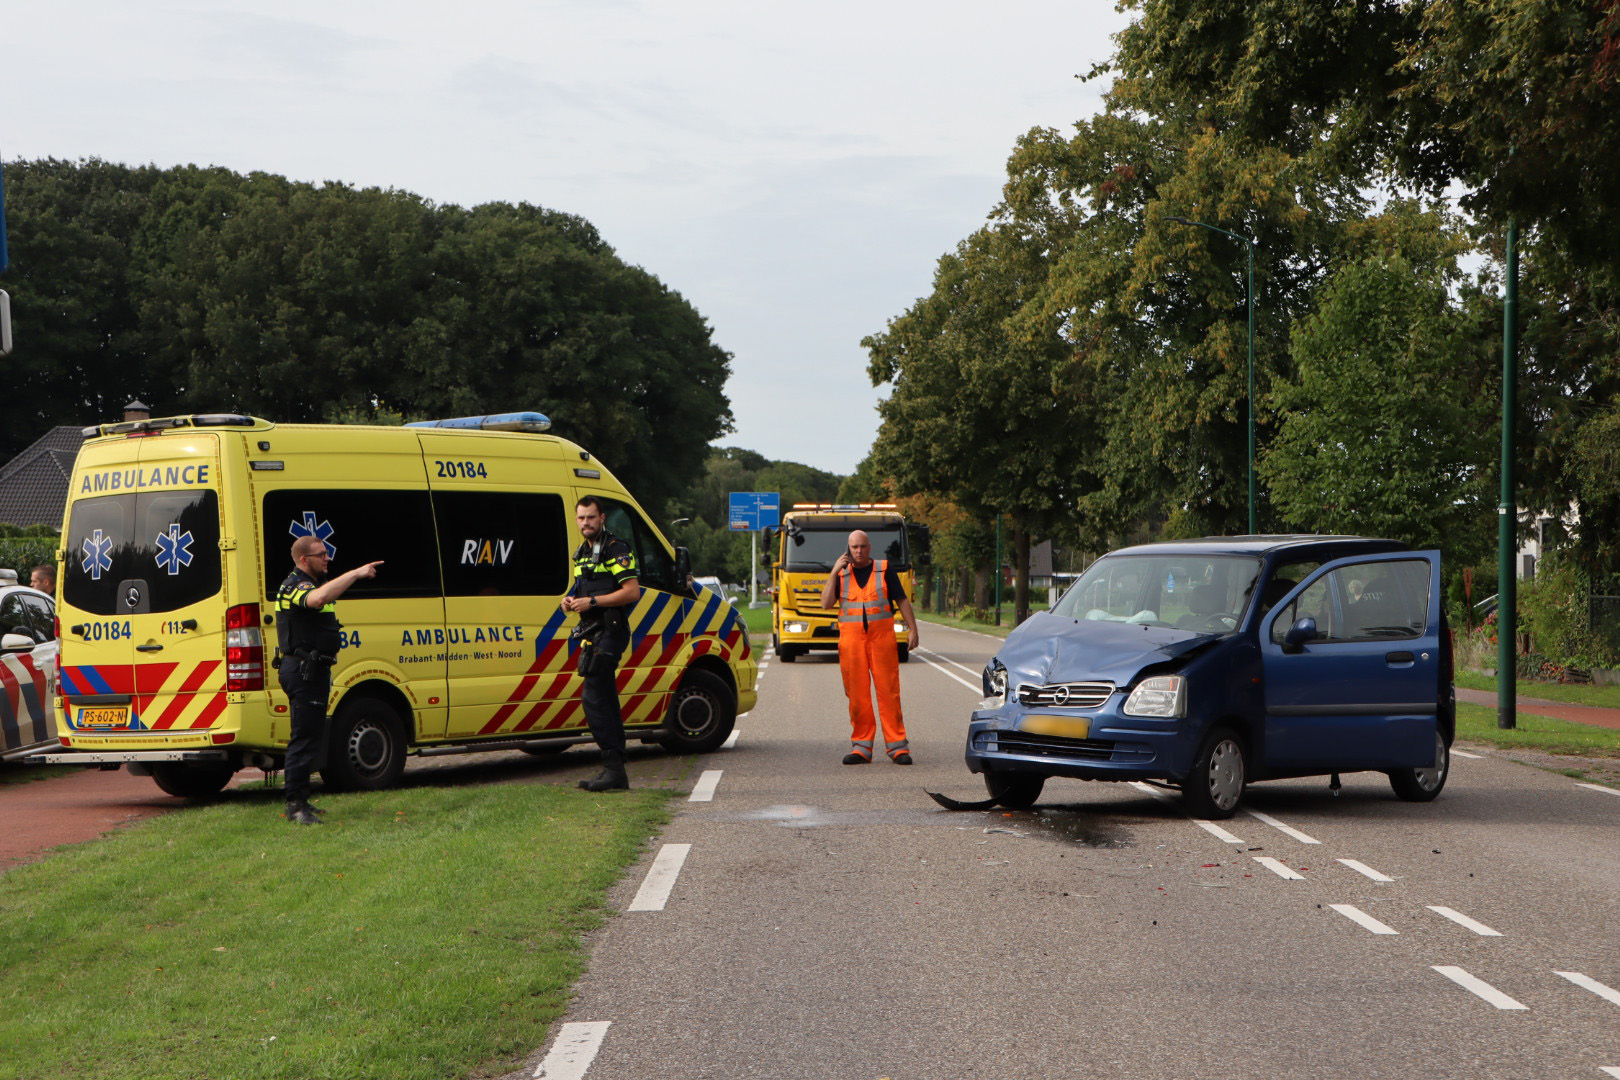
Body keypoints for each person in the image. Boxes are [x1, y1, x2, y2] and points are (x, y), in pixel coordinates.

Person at [274, 536, 382, 825]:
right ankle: (296, 806)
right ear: (303, 560)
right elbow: (317, 599)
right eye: (321, 555)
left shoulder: (310, 583)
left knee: (310, 737)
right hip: (302, 672)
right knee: (304, 738)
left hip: (312, 670)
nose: (327, 558)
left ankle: (302, 800)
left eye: (327, 553)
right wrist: (356, 573)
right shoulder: (295, 586)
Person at [819, 529, 920, 765]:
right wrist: (834, 571)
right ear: (848, 549)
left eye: (862, 546)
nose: (859, 551)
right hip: (852, 644)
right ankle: (861, 748)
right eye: (854, 547)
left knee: (889, 693)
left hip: (882, 641)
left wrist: (913, 629)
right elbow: (825, 604)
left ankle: (898, 748)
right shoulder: (841, 574)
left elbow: (902, 600)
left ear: (869, 547)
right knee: (857, 697)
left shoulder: (884, 569)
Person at [561, 496, 641, 791]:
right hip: (592, 633)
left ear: (602, 518)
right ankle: (615, 770)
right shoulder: (582, 553)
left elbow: (632, 592)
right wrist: (568, 601)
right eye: (581, 518)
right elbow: (581, 588)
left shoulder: (615, 549)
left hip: (611, 631)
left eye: (591, 517)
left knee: (593, 699)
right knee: (604, 698)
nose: (586, 523)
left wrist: (592, 601)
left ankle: (613, 769)